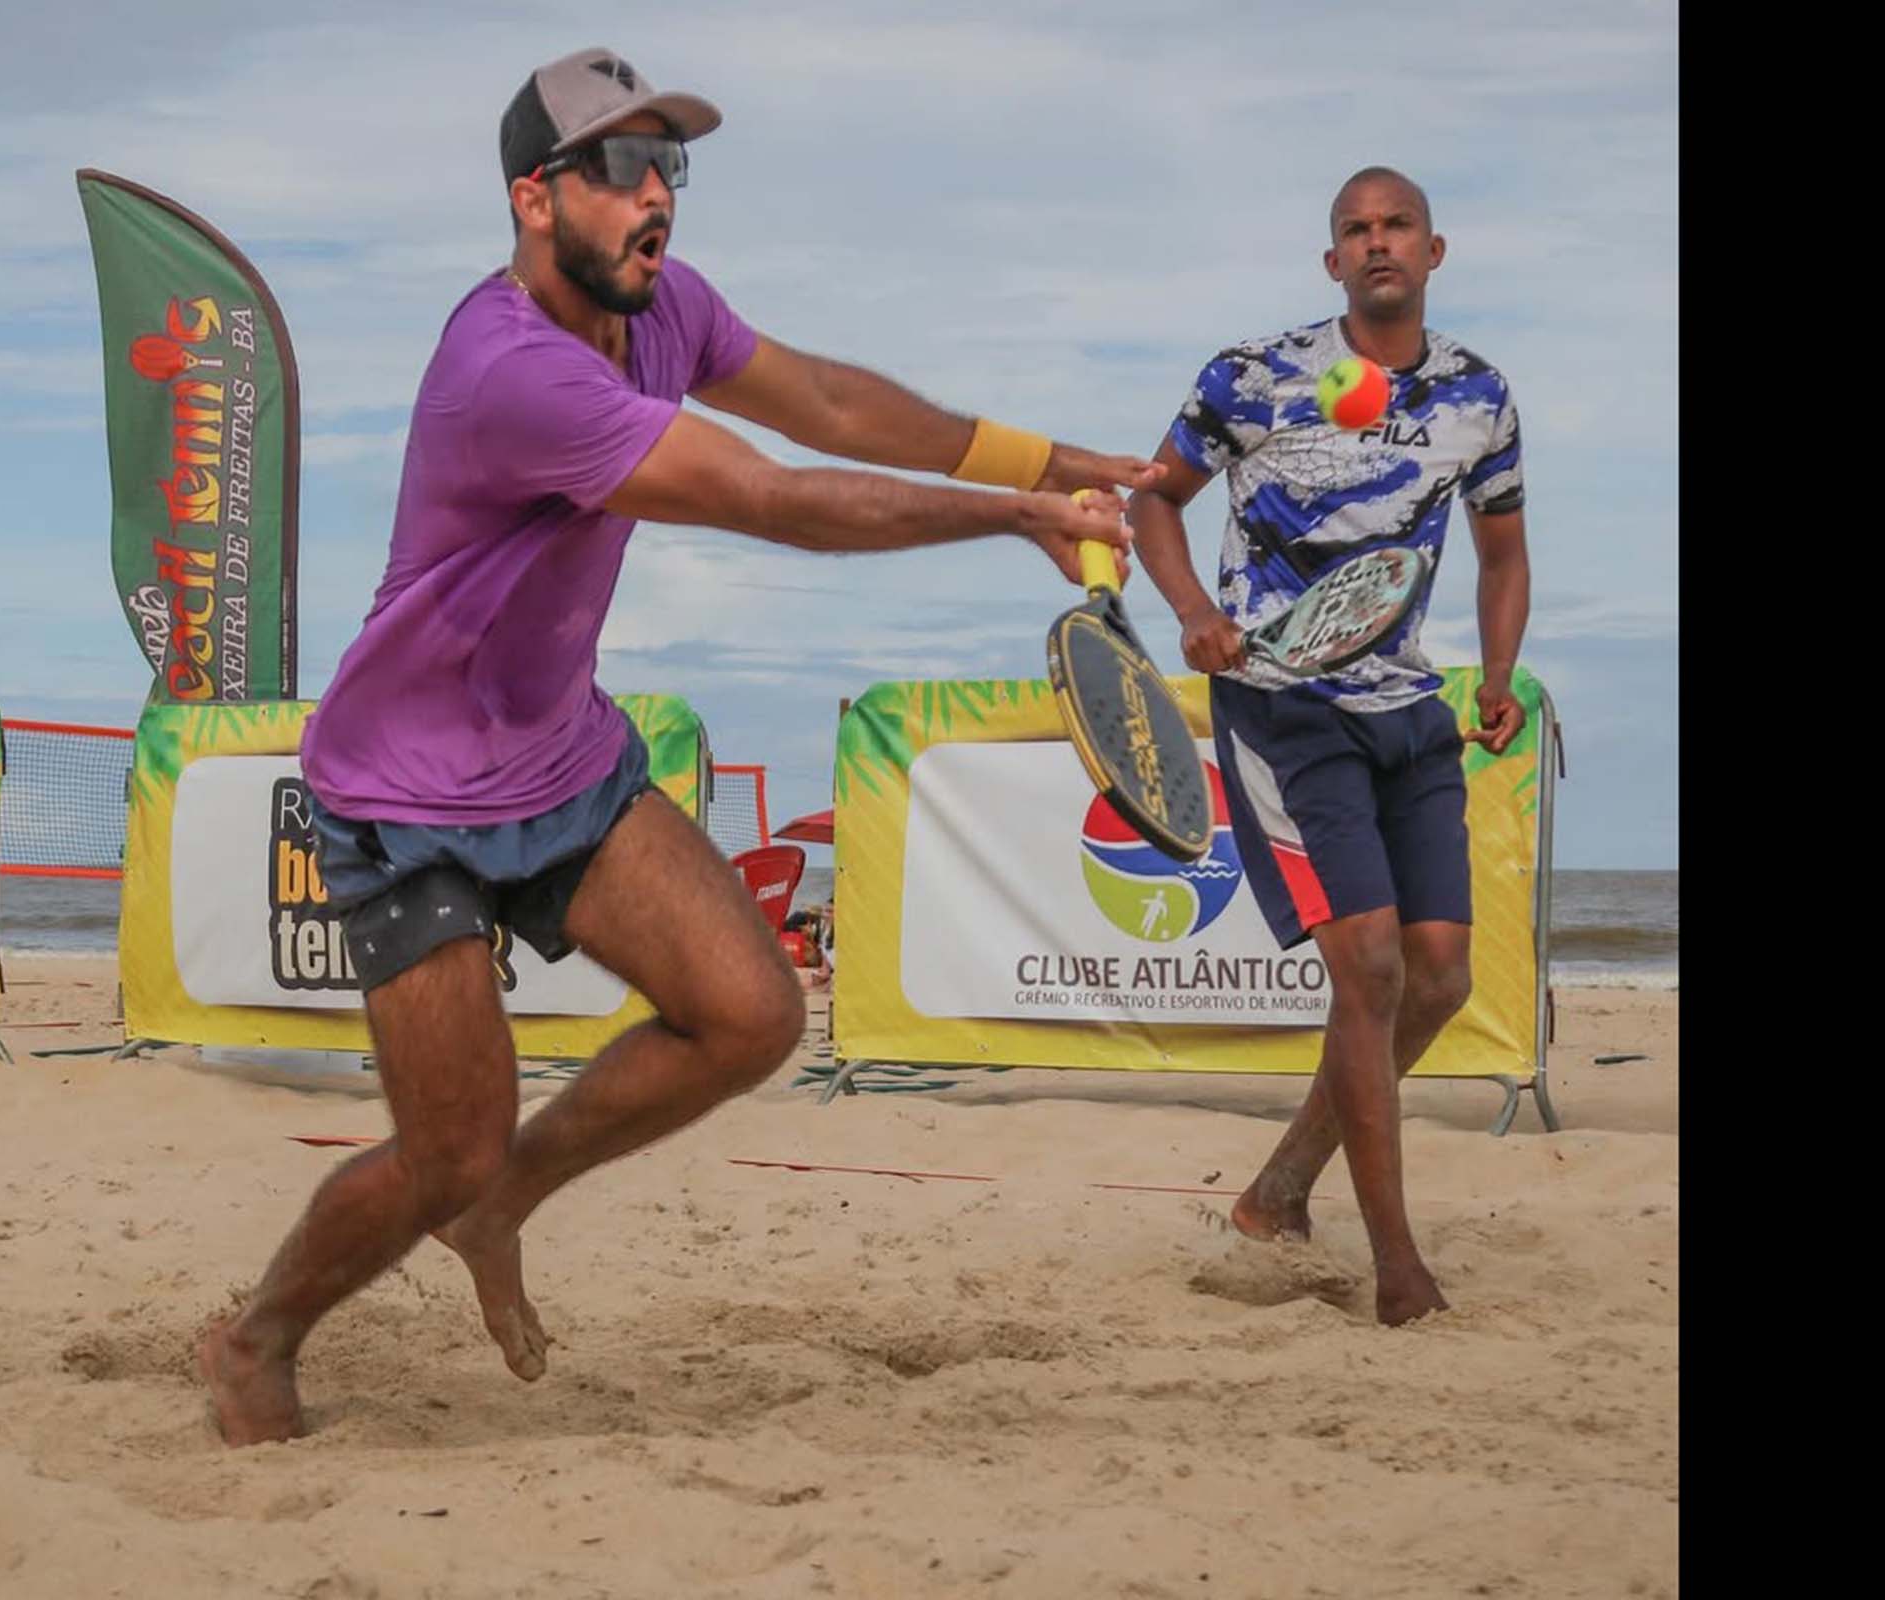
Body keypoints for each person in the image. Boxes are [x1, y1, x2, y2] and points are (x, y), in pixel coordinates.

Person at [200, 46, 1162, 1442]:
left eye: (671, 166)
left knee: (754, 1013)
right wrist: (1011, 522)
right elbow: (772, 496)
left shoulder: (660, 306)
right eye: (619, 168)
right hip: (404, 793)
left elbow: (828, 404)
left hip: (555, 757)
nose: (656, 196)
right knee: (443, 1152)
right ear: (536, 197)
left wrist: (1040, 461)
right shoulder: (508, 369)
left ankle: (509, 1203)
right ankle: (258, 1337)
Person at [1125, 167, 1531, 1326]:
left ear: (1434, 250)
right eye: (1355, 230)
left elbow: (1503, 553)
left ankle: (1279, 1191)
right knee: (1368, 967)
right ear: (1331, 261)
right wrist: (1195, 612)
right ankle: (1396, 1263)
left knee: (1440, 979)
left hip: (1410, 708)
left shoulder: (1478, 395)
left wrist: (1497, 676)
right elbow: (1156, 499)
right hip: (1283, 703)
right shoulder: (1251, 377)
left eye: (1396, 225)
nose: (1376, 243)